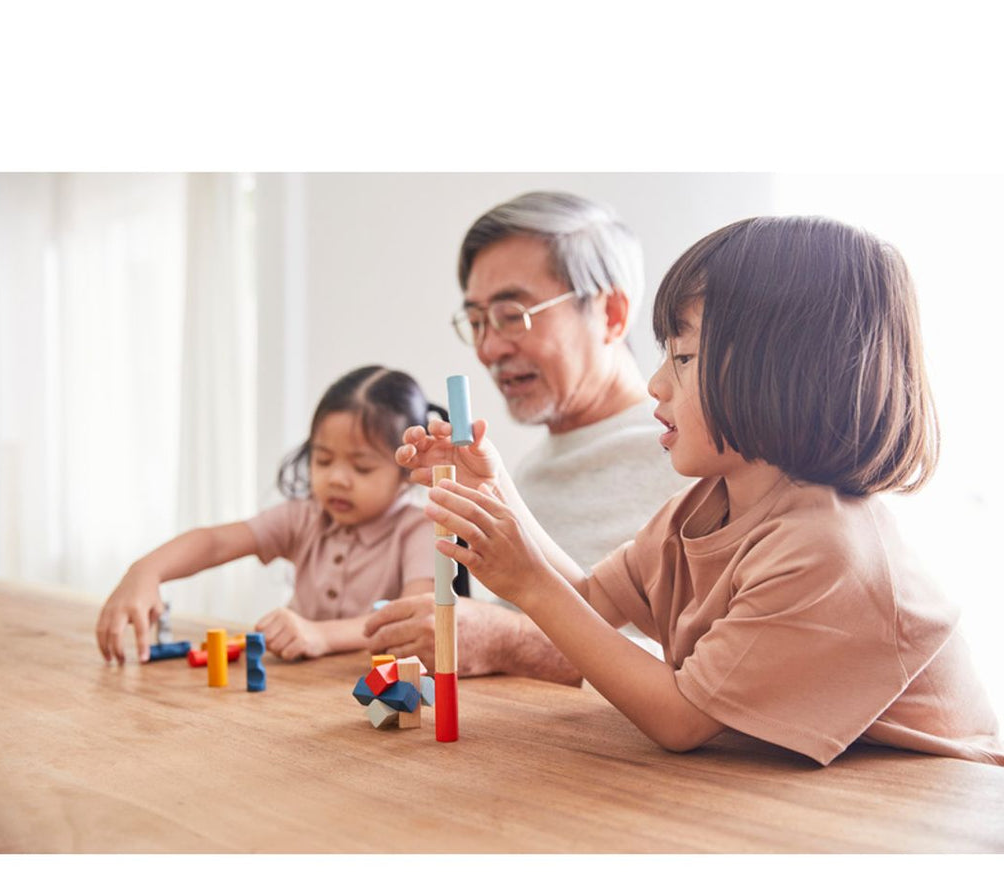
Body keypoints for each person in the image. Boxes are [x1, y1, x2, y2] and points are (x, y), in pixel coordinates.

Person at [404, 215, 1003, 766]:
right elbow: (591, 601)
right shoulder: (704, 504)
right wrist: (495, 487)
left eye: (685, 357)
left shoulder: (826, 546)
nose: (656, 384)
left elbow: (680, 719)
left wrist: (529, 583)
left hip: (936, 803)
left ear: (785, 374)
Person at [364, 191, 685, 683]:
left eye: (512, 315)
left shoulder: (688, 455)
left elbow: (717, 671)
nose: (489, 348)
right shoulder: (528, 471)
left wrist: (509, 642)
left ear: (612, 313)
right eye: (475, 322)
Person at [96, 365, 440, 665]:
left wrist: (320, 635)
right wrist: (147, 570)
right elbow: (216, 542)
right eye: (322, 460)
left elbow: (413, 617)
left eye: (361, 467)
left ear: (406, 471)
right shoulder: (304, 516)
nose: (336, 478)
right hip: (294, 697)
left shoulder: (419, 530)